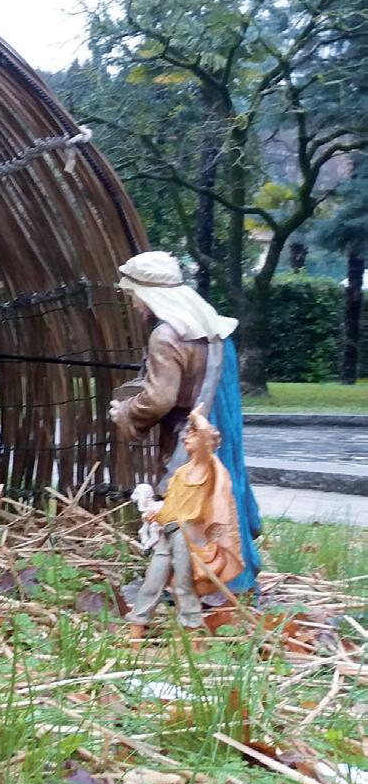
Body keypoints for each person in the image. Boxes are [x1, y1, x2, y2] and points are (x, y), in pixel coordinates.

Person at [110, 252, 260, 593]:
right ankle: (226, 577)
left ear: (150, 295)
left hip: (187, 434)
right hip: (214, 429)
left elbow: (159, 398)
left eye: (134, 296)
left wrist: (126, 412)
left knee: (183, 503)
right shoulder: (214, 328)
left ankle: (192, 584)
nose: (135, 305)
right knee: (217, 498)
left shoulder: (166, 336)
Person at [127, 406, 244, 640]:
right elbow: (173, 505)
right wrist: (157, 514)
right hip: (168, 533)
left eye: (191, 433)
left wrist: (196, 417)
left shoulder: (206, 468)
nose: (185, 437)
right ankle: (136, 629)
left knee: (184, 585)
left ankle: (191, 633)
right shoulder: (182, 473)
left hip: (187, 535)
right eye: (187, 433)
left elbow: (204, 435)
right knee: (153, 581)